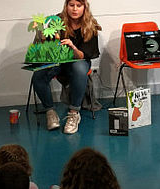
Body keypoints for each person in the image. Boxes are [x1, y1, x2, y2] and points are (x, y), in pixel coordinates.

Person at [32, 0, 102, 134]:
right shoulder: (56, 20)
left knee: (79, 68)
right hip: (58, 60)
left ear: (84, 7)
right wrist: (42, 36)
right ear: (66, 6)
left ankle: (74, 113)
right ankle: (50, 111)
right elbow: (44, 47)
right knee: (39, 73)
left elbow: (82, 56)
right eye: (71, 5)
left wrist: (72, 46)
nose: (74, 9)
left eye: (78, 6)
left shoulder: (90, 25)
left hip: (78, 59)